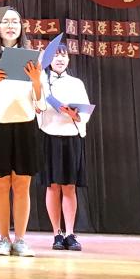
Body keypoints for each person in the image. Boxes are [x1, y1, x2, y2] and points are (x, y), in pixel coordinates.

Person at [0, 9, 45, 257]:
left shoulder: (33, 56)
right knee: (0, 185)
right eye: (5, 22)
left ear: (22, 27)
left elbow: (41, 101)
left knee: (22, 185)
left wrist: (36, 80)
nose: (10, 26)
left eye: (15, 22)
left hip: (25, 124)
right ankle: (3, 239)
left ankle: (21, 240)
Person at [38, 44, 91, 252]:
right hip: (49, 136)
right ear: (48, 60)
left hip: (71, 136)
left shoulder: (76, 83)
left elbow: (85, 112)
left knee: (69, 186)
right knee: (53, 186)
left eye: (64, 55)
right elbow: (37, 106)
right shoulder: (41, 81)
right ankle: (56, 234)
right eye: (55, 56)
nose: (60, 59)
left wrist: (75, 114)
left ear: (69, 59)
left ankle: (70, 233)